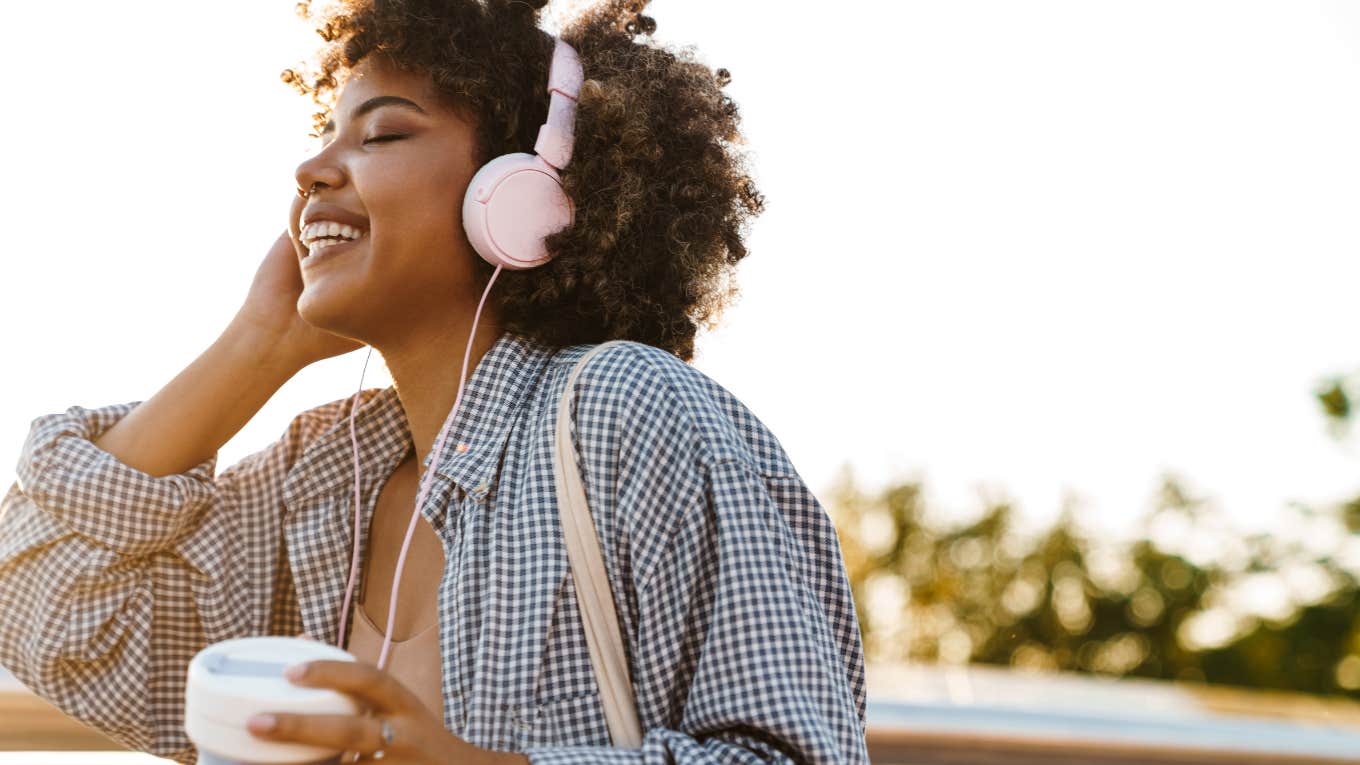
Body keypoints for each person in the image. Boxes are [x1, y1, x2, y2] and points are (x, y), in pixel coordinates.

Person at [0, 0, 868, 763]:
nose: (311, 172)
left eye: (381, 133)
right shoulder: (323, 471)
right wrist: (255, 345)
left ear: (521, 197)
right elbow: (45, 610)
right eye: (326, 135)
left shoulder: (628, 411)